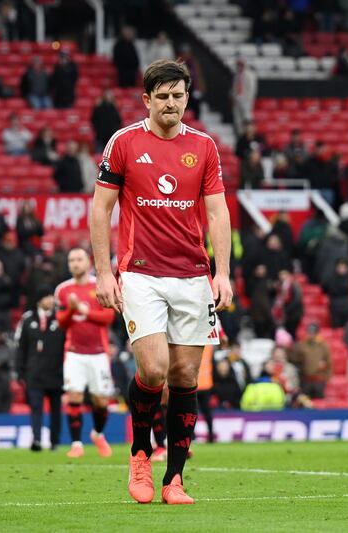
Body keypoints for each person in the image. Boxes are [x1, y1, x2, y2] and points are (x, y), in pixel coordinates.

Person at [91, 59, 232, 505]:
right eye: (163, 96)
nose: (171, 103)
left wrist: (222, 272)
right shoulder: (124, 142)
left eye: (178, 95)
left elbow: (217, 212)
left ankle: (174, 479)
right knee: (153, 369)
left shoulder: (205, 147)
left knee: (185, 374)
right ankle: (138, 454)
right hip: (141, 273)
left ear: (187, 98)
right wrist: (102, 271)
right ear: (147, 99)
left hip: (193, 275)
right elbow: (101, 209)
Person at [55, 248, 116, 459]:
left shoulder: (99, 286)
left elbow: (109, 318)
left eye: (79, 259)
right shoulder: (62, 290)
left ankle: (97, 434)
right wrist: (71, 310)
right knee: (75, 395)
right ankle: (76, 443)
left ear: (88, 262)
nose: (75, 263)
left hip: (99, 352)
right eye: (71, 260)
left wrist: (83, 311)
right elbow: (61, 322)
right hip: (74, 352)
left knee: (100, 401)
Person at [16, 286, 65, 451]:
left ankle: (55, 441)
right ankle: (36, 439)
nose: (50, 300)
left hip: (56, 372)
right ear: (39, 300)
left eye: (51, 296)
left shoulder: (60, 318)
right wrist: (20, 371)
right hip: (34, 373)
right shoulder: (28, 320)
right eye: (46, 297)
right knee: (36, 407)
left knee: (56, 410)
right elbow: (21, 347)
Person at [91, 89, 123, 154]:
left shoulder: (114, 108)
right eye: (107, 96)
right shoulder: (98, 107)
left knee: (111, 156)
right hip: (100, 136)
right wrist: (97, 130)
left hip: (111, 137)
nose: (108, 98)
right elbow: (93, 120)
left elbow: (119, 121)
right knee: (99, 156)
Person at [231, 58, 258, 135]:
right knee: (238, 119)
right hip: (237, 99)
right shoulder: (237, 75)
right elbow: (234, 87)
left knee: (247, 117)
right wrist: (234, 97)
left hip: (246, 99)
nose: (239, 66)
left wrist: (249, 100)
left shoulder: (249, 74)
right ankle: (241, 134)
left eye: (240, 64)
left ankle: (249, 134)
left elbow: (252, 89)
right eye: (238, 65)